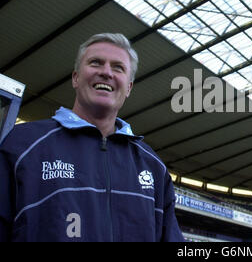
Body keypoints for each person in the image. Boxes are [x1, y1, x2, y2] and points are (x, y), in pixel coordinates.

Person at [0, 33, 185, 241]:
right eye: (96, 63)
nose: (106, 72)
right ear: (75, 78)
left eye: (118, 67)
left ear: (129, 88)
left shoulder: (153, 166)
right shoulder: (23, 145)